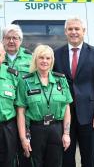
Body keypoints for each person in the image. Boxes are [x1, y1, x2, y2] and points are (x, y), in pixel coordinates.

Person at [53, 17, 94, 167]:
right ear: (65, 32)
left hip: (89, 115)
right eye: (70, 29)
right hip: (64, 115)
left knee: (89, 157)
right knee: (67, 157)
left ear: (84, 31)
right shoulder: (56, 54)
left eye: (77, 29)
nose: (74, 32)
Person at [15, 44, 72, 167]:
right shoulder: (25, 81)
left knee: (55, 163)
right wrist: (23, 138)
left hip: (56, 129)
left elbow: (66, 107)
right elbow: (21, 112)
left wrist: (66, 134)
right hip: (35, 130)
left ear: (52, 60)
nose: (44, 61)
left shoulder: (60, 80)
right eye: (41, 57)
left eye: (48, 58)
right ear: (35, 59)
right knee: (35, 163)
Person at [2, 24, 32, 167]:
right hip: (6, 113)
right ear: (3, 40)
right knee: (7, 153)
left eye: (15, 38)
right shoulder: (0, 57)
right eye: (8, 38)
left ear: (20, 40)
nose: (11, 41)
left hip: (25, 111)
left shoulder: (30, 58)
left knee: (26, 150)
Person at [0, 42, 19, 167]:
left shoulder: (12, 74)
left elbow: (20, 105)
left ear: (3, 55)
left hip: (7, 127)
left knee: (8, 161)